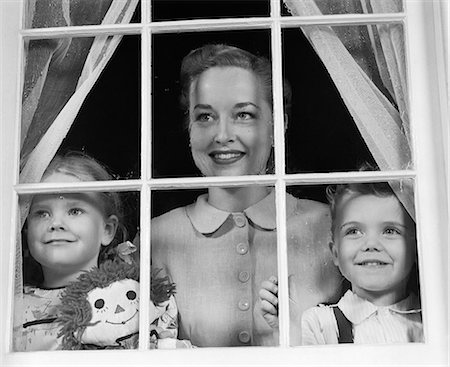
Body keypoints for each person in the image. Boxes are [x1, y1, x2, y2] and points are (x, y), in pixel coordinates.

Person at [151, 44, 343, 347]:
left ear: (278, 126)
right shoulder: (156, 238)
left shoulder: (332, 225)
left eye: (243, 114)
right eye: (204, 117)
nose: (222, 134)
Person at [19, 152, 180, 350]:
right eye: (42, 213)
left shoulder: (136, 297)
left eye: (75, 211)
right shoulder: (12, 307)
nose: (56, 223)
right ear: (25, 228)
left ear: (107, 230)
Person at [260, 181, 423, 344]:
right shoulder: (321, 323)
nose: (371, 244)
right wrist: (288, 328)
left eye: (390, 231)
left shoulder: (433, 320)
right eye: (354, 231)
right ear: (335, 253)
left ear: (416, 247)